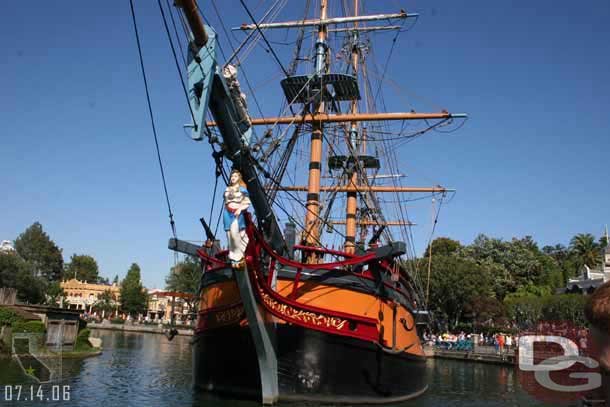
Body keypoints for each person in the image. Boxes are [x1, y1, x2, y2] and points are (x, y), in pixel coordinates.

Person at [223, 169, 252, 266]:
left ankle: (239, 256)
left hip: (237, 213)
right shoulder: (227, 189)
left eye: (235, 176)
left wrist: (240, 209)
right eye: (232, 176)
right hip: (227, 213)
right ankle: (233, 256)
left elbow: (247, 202)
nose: (232, 178)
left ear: (239, 178)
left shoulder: (242, 189)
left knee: (235, 235)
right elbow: (226, 201)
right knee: (229, 236)